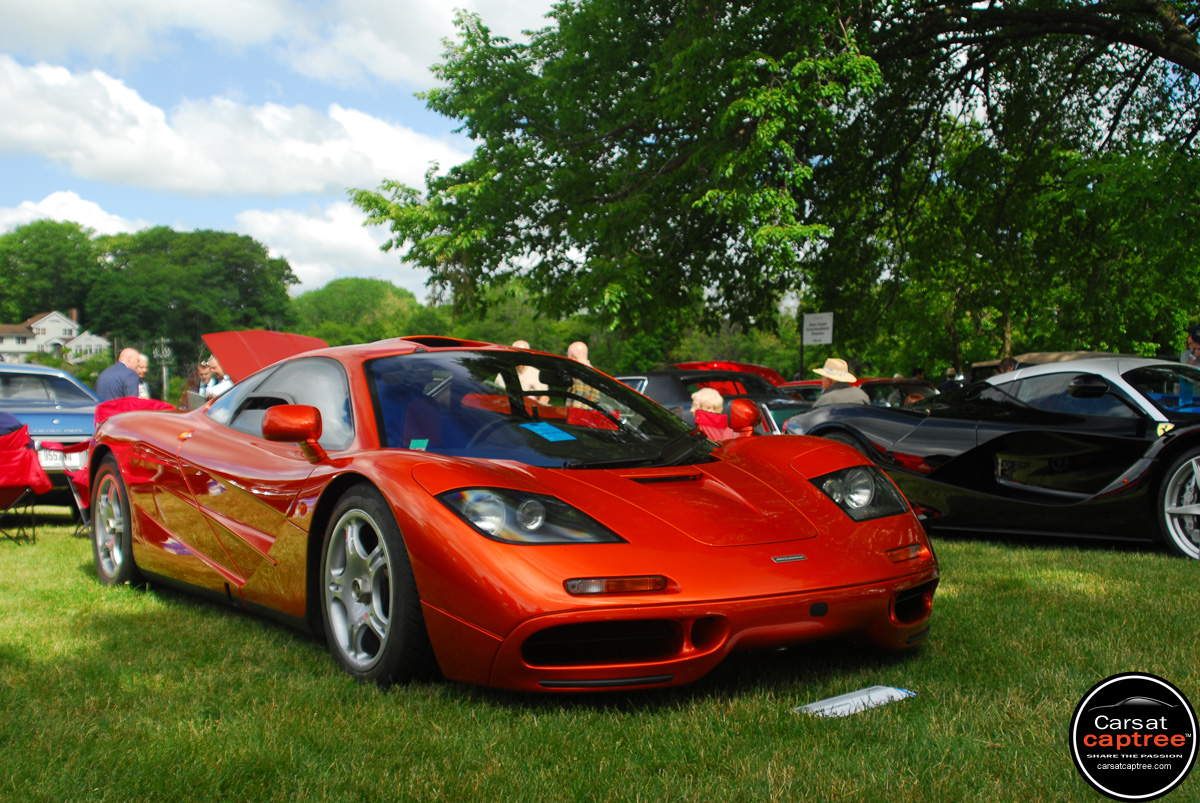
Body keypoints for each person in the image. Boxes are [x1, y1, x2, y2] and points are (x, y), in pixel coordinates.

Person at [566, 341, 601, 408]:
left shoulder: (580, 375)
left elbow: (577, 406)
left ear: (573, 356)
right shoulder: (594, 374)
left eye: (568, 355)